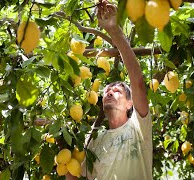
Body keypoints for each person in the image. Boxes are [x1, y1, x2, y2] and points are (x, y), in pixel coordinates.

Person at [67, 1, 152, 179]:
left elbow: (137, 83)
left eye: (118, 91)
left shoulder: (138, 127)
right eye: (106, 91)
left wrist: (114, 31)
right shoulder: (96, 141)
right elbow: (74, 175)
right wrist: (65, 140)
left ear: (130, 104)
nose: (109, 92)